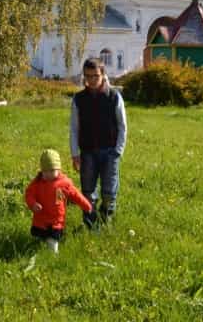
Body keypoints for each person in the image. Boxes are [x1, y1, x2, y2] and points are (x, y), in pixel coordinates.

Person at [70, 58, 127, 225]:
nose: (91, 80)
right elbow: (74, 128)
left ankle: (105, 220)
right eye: (87, 76)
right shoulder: (79, 99)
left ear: (103, 75)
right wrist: (75, 154)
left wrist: (118, 151)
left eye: (95, 76)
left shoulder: (114, 97)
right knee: (87, 192)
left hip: (110, 152)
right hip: (87, 152)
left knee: (109, 193)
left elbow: (122, 125)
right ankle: (90, 223)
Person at [25, 148, 93, 253]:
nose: (48, 174)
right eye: (45, 171)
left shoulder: (64, 183)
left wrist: (86, 206)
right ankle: (41, 245)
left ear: (58, 169)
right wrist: (33, 204)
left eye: (52, 171)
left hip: (56, 219)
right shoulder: (37, 182)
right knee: (41, 234)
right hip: (41, 217)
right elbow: (29, 194)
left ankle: (53, 254)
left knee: (53, 237)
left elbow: (76, 195)